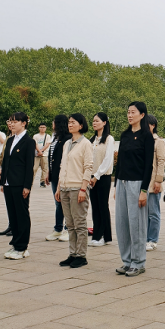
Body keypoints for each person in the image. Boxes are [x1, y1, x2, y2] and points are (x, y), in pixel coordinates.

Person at [115, 101, 156, 277]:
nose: (130, 115)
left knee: (136, 223)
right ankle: (127, 261)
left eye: (133, 112)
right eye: (128, 112)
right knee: (122, 223)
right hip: (121, 183)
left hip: (137, 183)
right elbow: (119, 162)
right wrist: (116, 186)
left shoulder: (147, 136)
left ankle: (138, 262)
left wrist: (144, 190)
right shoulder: (124, 135)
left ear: (142, 115)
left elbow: (148, 166)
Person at [55, 114, 94, 268]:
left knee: (79, 223)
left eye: (73, 122)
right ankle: (72, 254)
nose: (70, 125)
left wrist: (83, 188)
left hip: (78, 188)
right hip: (65, 187)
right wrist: (59, 187)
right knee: (70, 224)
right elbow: (62, 166)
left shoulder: (85, 144)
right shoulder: (67, 143)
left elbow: (88, 167)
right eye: (69, 122)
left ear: (81, 125)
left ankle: (81, 255)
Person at [1, 112, 36, 260]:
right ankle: (15, 243)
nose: (12, 124)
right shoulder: (10, 140)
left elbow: (29, 165)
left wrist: (27, 185)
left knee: (21, 215)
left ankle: (22, 246)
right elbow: (5, 162)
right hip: (8, 183)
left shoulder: (29, 141)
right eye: (10, 121)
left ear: (24, 123)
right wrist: (2, 181)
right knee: (13, 215)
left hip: (20, 183)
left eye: (15, 121)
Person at [88, 112, 115, 247]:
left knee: (103, 206)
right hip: (91, 177)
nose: (94, 123)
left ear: (104, 123)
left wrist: (97, 176)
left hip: (103, 177)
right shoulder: (92, 140)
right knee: (95, 206)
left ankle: (103, 236)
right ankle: (97, 235)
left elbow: (107, 160)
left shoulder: (109, 139)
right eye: (93, 121)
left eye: (97, 121)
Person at [45, 115, 70, 242]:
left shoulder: (68, 138)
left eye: (54, 122)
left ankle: (68, 229)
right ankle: (58, 229)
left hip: (64, 176)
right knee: (58, 202)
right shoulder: (55, 137)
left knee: (65, 202)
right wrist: (48, 172)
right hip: (54, 174)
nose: (52, 124)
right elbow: (51, 157)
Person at [145, 114, 165, 252]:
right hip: (142, 183)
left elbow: (161, 161)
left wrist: (158, 180)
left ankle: (152, 240)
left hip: (153, 183)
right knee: (144, 214)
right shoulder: (141, 140)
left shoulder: (158, 142)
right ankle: (145, 238)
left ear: (153, 125)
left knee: (153, 213)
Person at [33, 123, 52, 188]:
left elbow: (47, 144)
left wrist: (42, 151)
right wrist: (39, 151)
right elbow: (35, 144)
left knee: (44, 169)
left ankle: (42, 181)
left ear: (46, 128)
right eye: (41, 127)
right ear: (39, 128)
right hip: (37, 154)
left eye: (43, 127)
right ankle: (31, 181)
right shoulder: (35, 136)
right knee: (34, 168)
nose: (42, 128)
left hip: (45, 154)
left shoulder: (48, 136)